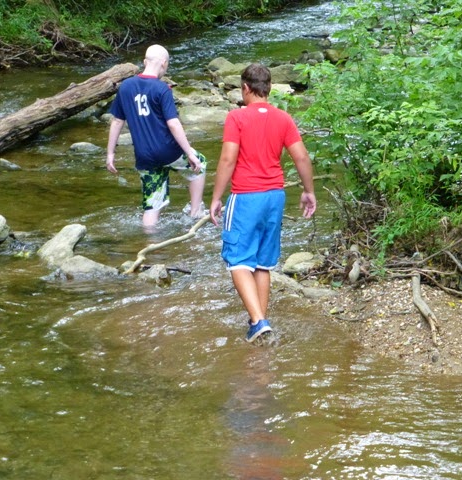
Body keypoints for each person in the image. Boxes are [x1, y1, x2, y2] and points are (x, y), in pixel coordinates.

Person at [210, 63, 317, 343]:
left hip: (246, 196)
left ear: (245, 88)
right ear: (268, 88)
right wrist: (309, 191)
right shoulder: (283, 118)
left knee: (237, 261)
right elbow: (301, 157)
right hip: (274, 197)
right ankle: (259, 322)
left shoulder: (236, 117)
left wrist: (216, 197)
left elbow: (227, 159)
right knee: (262, 263)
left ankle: (258, 321)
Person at [106, 44, 206, 229]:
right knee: (200, 164)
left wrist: (110, 153)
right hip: (168, 151)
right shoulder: (162, 89)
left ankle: (148, 240)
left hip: (144, 156)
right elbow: (173, 123)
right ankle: (195, 212)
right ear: (164, 63)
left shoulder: (126, 86)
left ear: (145, 62)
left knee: (152, 205)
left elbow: (117, 121)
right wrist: (189, 152)